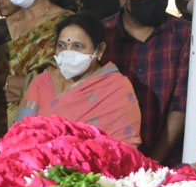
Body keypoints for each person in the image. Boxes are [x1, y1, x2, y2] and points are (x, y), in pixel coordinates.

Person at [103, 0, 191, 167]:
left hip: (166, 160)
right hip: (108, 157)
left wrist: (151, 164)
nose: (153, 0)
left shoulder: (184, 35)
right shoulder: (100, 35)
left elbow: (180, 107)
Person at [13, 12, 140, 145]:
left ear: (100, 50)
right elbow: (18, 136)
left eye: (77, 46)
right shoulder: (42, 83)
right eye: (61, 46)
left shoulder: (116, 88)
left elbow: (125, 148)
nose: (68, 53)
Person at [0, 0, 72, 143]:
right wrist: (23, 86)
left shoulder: (67, 24)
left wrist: (4, 85)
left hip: (45, 127)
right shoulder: (0, 28)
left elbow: (61, 84)